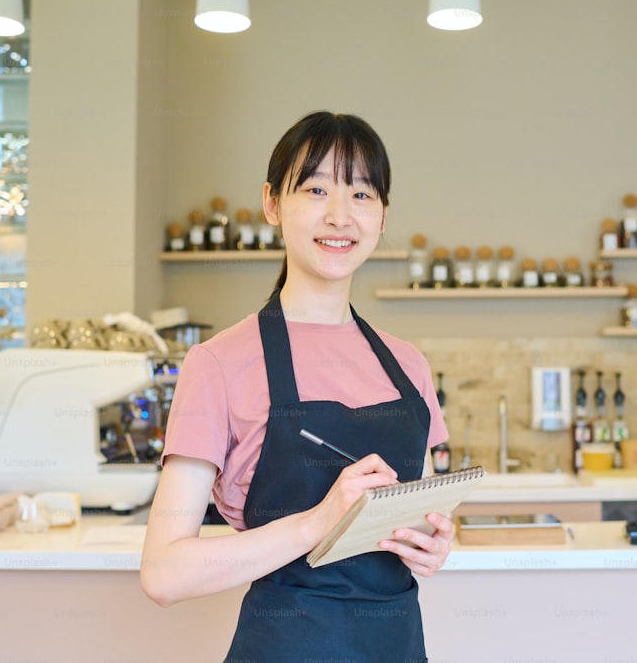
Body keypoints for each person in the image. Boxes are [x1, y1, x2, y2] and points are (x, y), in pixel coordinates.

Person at [140, 111, 453, 662]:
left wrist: (429, 545)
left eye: (361, 195)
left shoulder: (409, 365)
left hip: (398, 647)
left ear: (383, 217)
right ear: (272, 204)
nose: (340, 216)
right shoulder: (218, 363)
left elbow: (414, 516)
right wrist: (318, 521)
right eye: (315, 189)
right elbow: (164, 574)